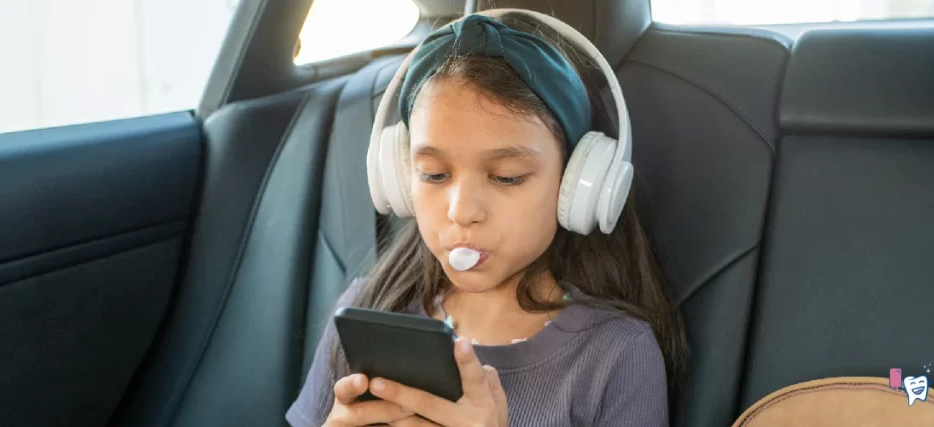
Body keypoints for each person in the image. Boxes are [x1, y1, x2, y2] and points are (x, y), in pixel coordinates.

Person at [286, 9, 688, 427]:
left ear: (577, 183)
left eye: (506, 178)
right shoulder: (368, 309)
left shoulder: (616, 355)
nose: (461, 211)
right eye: (434, 175)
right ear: (400, 180)